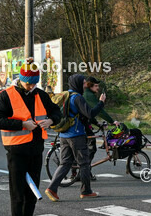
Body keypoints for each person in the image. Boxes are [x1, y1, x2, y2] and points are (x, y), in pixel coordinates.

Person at [0, 62, 63, 216]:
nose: (31, 86)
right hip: (16, 152)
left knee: (32, 194)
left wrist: (51, 120)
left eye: (33, 83)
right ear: (21, 79)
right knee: (18, 194)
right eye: (28, 83)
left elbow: (57, 111)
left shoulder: (41, 95)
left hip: (35, 150)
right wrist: (23, 125)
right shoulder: (6, 95)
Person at [44, 73, 106, 202]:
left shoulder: (66, 96)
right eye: (83, 83)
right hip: (76, 135)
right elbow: (89, 114)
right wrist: (101, 103)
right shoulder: (77, 98)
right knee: (84, 163)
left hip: (64, 134)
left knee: (65, 163)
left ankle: (52, 188)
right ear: (77, 83)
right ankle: (86, 191)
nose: (85, 85)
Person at [82, 76, 118, 180]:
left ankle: (79, 172)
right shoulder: (88, 95)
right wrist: (112, 121)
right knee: (91, 147)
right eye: (96, 86)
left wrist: (97, 123)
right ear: (90, 85)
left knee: (82, 149)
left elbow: (89, 113)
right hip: (83, 125)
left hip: (84, 123)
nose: (98, 88)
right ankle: (85, 172)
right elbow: (98, 111)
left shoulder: (88, 94)